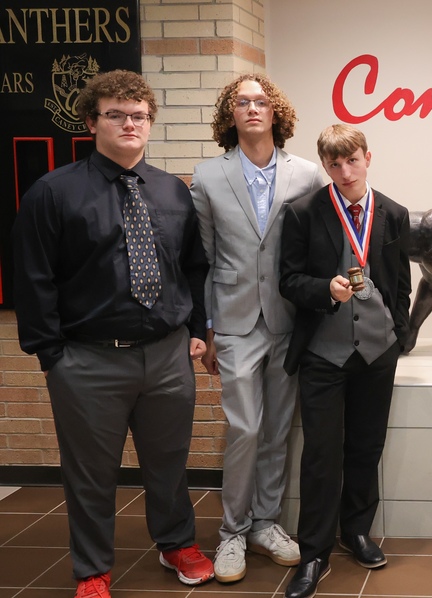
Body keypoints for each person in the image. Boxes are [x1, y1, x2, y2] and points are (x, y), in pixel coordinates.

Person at [11, 70, 214, 598]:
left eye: (139, 116)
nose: (130, 124)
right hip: (87, 360)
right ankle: (93, 570)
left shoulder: (172, 191)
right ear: (91, 121)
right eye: (117, 115)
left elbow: (193, 266)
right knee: (91, 474)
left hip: (168, 357)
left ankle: (176, 544)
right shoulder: (52, 193)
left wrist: (196, 329)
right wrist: (51, 354)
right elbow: (32, 278)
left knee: (169, 463)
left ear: (150, 123)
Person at [191, 74, 325, 583]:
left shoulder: (307, 174)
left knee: (276, 430)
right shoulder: (207, 176)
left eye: (261, 101)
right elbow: (202, 259)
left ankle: (266, 524)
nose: (252, 109)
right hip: (234, 321)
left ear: (276, 113)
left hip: (288, 319)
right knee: (245, 427)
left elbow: (313, 248)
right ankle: (231, 533)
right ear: (230, 114)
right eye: (242, 102)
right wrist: (207, 328)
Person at [278, 124, 411, 598]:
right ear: (325, 166)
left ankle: (355, 530)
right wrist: (323, 290)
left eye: (352, 160)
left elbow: (400, 283)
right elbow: (289, 281)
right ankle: (313, 553)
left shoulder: (394, 213)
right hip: (323, 355)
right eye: (334, 164)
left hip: (378, 352)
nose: (344, 171)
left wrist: (399, 333)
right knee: (320, 455)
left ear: (367, 157)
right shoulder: (303, 214)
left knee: (365, 447)